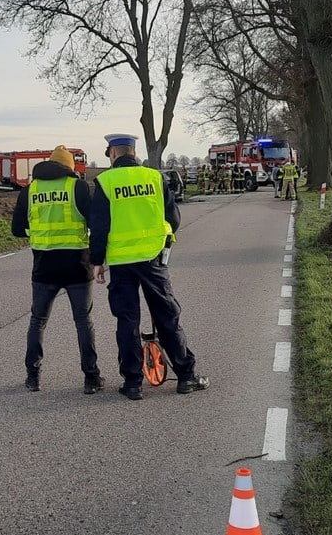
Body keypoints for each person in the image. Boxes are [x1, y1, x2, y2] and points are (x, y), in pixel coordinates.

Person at [88, 133, 208, 401]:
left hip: (120, 263)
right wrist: (163, 239)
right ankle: (186, 377)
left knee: (127, 320)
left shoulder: (105, 182)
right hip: (153, 259)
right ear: (133, 151)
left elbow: (98, 227)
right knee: (167, 316)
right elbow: (173, 217)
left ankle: (132, 383)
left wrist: (97, 261)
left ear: (114, 154)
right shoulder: (154, 178)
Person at [11, 145, 103, 394]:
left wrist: (40, 234)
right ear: (70, 168)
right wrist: (97, 258)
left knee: (38, 321)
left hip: (43, 267)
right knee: (83, 321)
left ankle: (33, 376)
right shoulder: (78, 187)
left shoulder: (30, 190)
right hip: (77, 266)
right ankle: (91, 378)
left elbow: (17, 229)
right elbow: (95, 222)